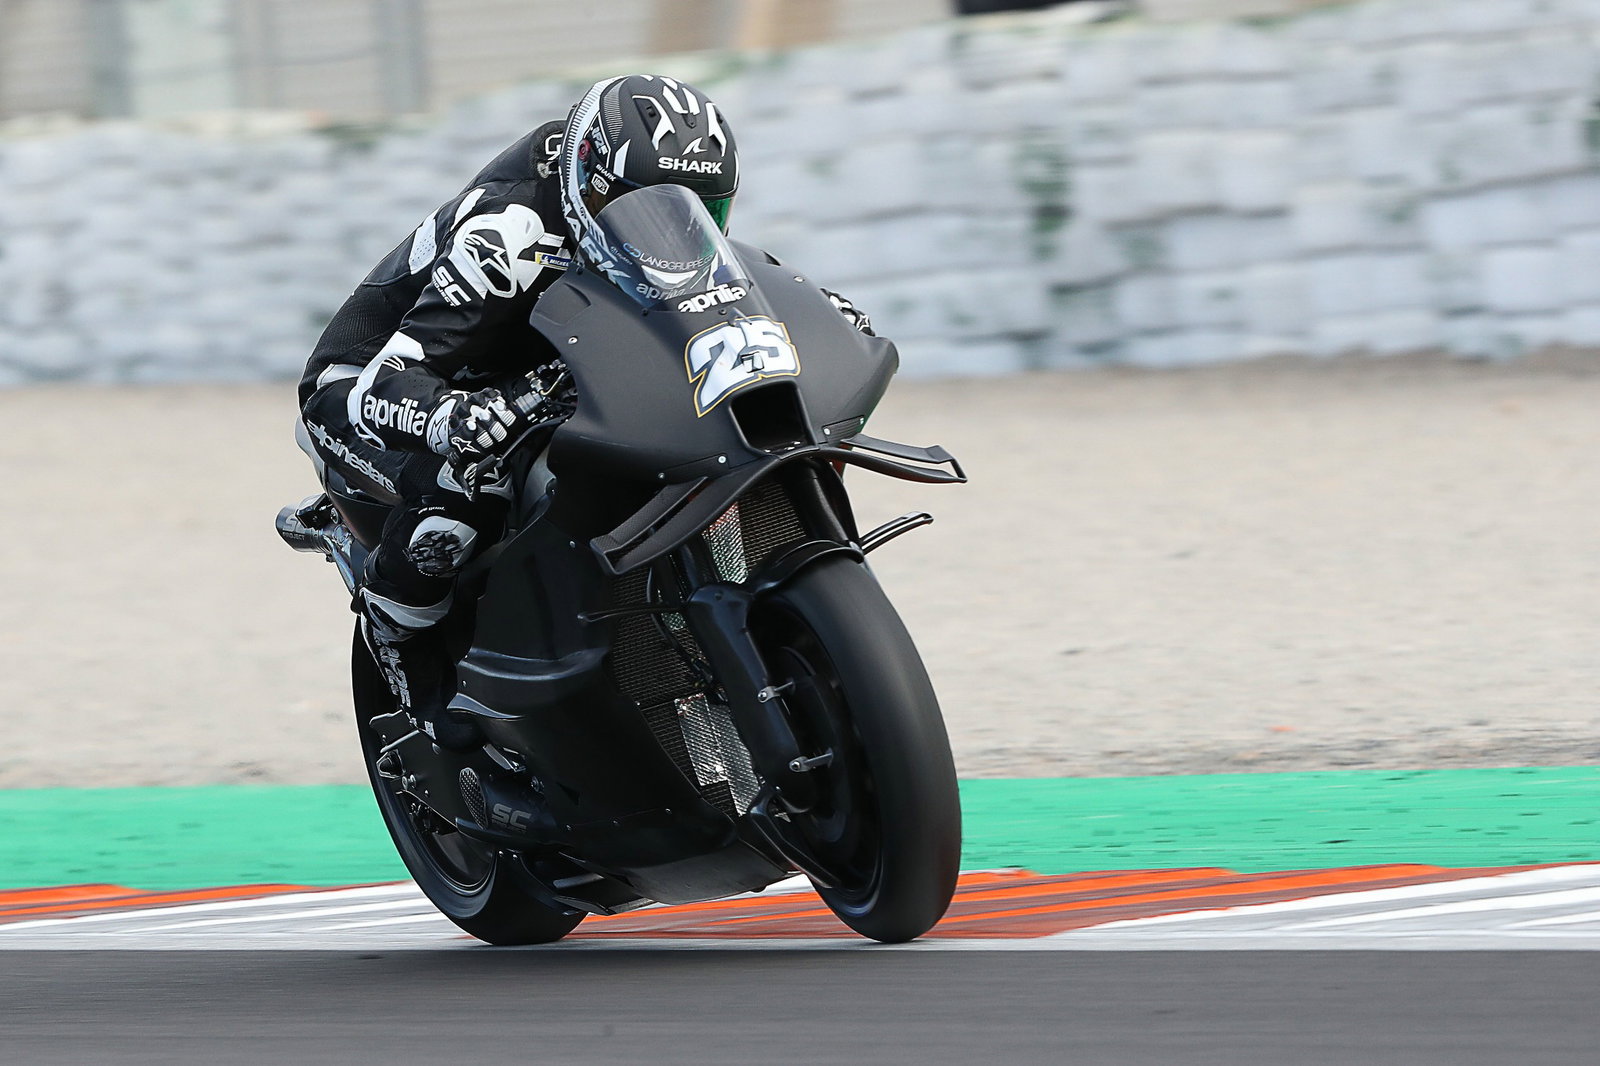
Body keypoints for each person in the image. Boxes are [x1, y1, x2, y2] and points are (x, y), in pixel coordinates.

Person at [296, 74, 871, 745]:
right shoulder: (509, 235)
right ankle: (402, 642)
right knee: (470, 481)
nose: (669, 229)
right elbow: (384, 385)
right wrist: (462, 416)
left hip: (534, 362)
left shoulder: (646, 222)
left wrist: (816, 313)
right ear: (587, 181)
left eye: (695, 212)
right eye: (643, 207)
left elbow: (732, 275)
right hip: (373, 386)